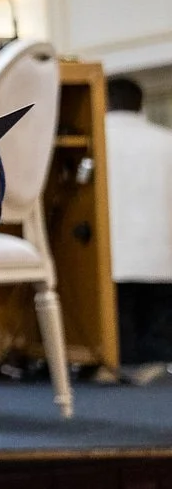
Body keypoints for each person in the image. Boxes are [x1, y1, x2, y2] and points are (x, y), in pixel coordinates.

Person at [106, 77, 172, 378]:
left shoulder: (98, 138)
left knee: (120, 345)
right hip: (162, 254)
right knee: (158, 342)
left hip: (113, 256)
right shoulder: (166, 140)